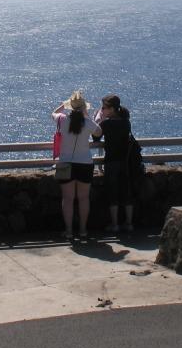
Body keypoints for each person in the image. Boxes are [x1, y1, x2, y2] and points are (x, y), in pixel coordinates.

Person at [52, 90, 103, 243]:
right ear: (83, 107)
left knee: (67, 199)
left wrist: (64, 104)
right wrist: (86, 115)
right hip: (85, 163)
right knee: (83, 198)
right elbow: (99, 132)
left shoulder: (62, 119)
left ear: (70, 106)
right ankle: (83, 230)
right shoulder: (87, 122)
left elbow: (53, 113)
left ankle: (68, 231)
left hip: (65, 163)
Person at [96, 94, 135, 234]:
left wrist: (99, 120)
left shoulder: (106, 124)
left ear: (111, 109)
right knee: (126, 192)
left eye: (104, 108)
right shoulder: (126, 122)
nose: (102, 110)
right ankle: (129, 223)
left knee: (113, 193)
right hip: (125, 162)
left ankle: (115, 224)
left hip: (111, 162)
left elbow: (95, 137)